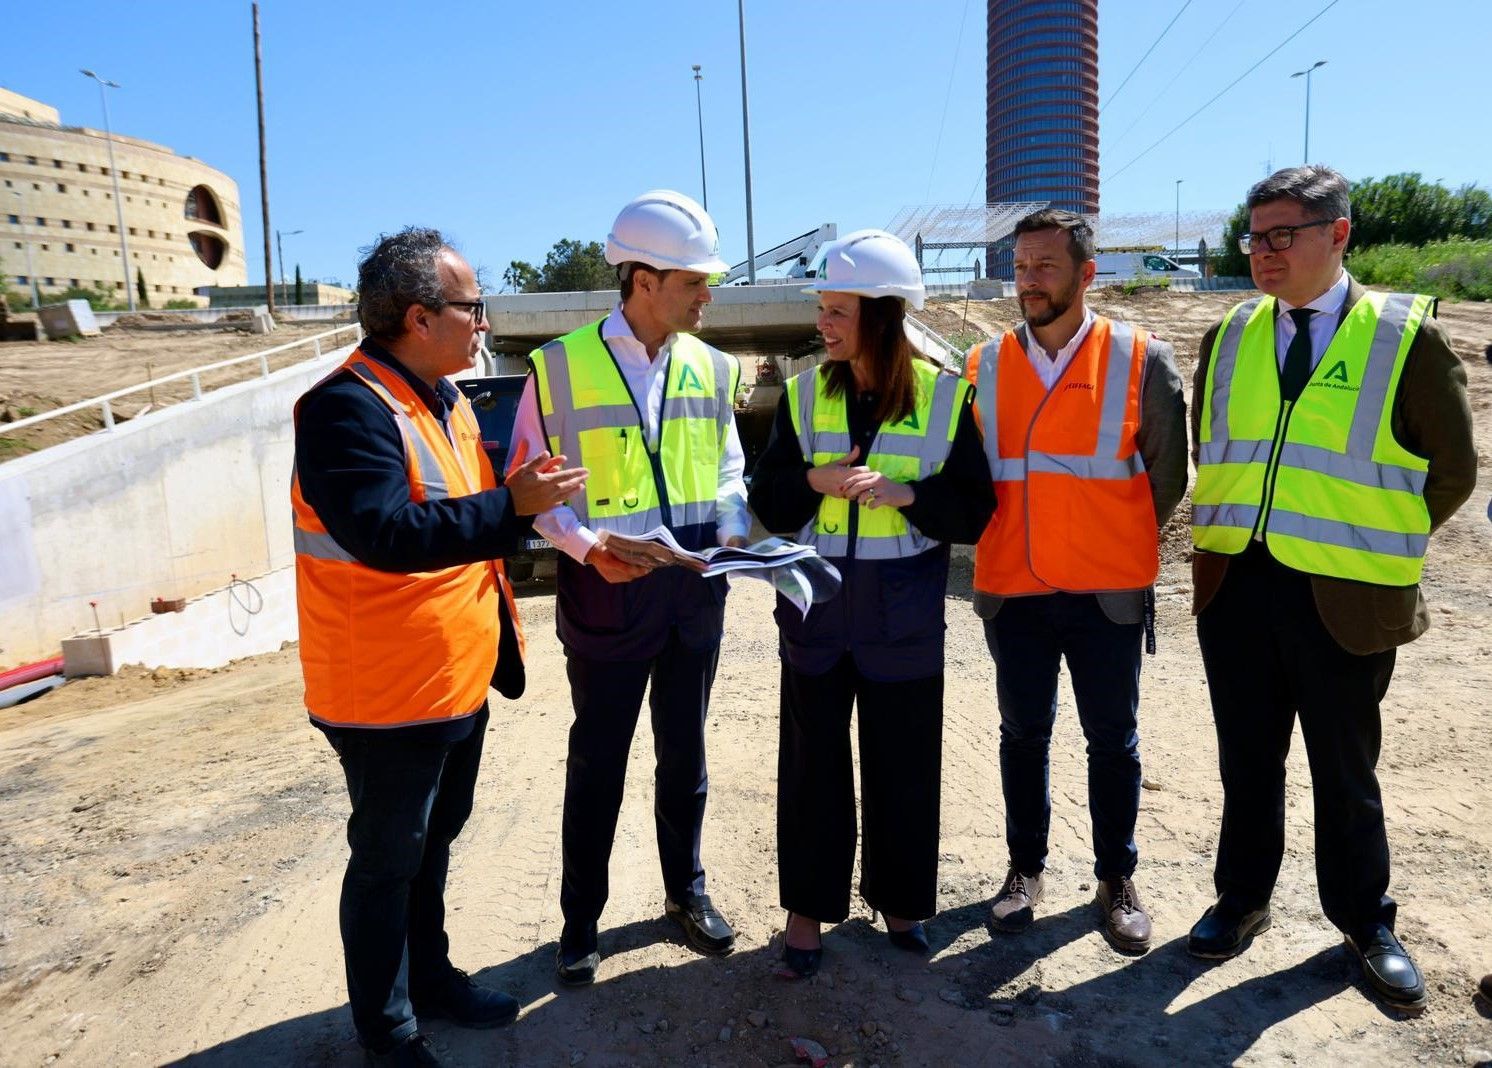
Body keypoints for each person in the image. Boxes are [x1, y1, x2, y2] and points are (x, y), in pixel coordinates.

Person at [293, 229, 586, 1065]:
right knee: (388, 860)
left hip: (451, 676)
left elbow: (459, 518)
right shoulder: (345, 408)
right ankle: (386, 1029)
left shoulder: (447, 398)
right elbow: (384, 532)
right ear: (419, 317)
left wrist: (522, 505)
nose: (484, 321)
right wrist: (513, 507)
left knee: (435, 841)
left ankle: (431, 980)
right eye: (472, 305)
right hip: (382, 688)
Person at [1188, 165, 1476, 1012]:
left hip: (1347, 598)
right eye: (1255, 236)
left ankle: (1364, 921)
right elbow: (1220, 451)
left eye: (1284, 235)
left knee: (1345, 770)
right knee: (1248, 759)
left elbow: (1452, 472)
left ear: (1339, 235)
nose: (1264, 253)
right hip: (1237, 584)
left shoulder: (1403, 336)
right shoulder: (1231, 333)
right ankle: (1241, 899)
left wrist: (1368, 535)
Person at [510, 190, 747, 986]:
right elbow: (532, 491)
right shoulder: (556, 368)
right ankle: (581, 924)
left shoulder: (714, 367)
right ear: (643, 279)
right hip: (606, 595)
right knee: (599, 762)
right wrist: (585, 547)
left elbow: (727, 469)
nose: (708, 294)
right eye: (694, 280)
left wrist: (736, 530)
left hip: (692, 595)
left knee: (687, 756)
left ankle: (687, 893)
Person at [749, 229, 995, 977]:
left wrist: (907, 494)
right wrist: (815, 483)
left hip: (903, 624)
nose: (822, 324)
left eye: (837, 310)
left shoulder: (949, 399)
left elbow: (975, 510)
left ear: (883, 316)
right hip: (818, 623)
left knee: (904, 769)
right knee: (812, 772)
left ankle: (900, 903)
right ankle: (806, 915)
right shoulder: (799, 396)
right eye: (822, 308)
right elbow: (770, 499)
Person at [965, 209, 1188, 954]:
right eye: (1021, 266)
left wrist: (1110, 538)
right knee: (1023, 735)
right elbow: (970, 473)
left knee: (1112, 739)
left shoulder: (1139, 357)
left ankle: (1115, 878)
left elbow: (1166, 477)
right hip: (1013, 587)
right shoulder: (985, 363)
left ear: (1086, 273)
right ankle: (1024, 870)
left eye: (1044, 267)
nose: (1028, 280)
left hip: (1105, 592)